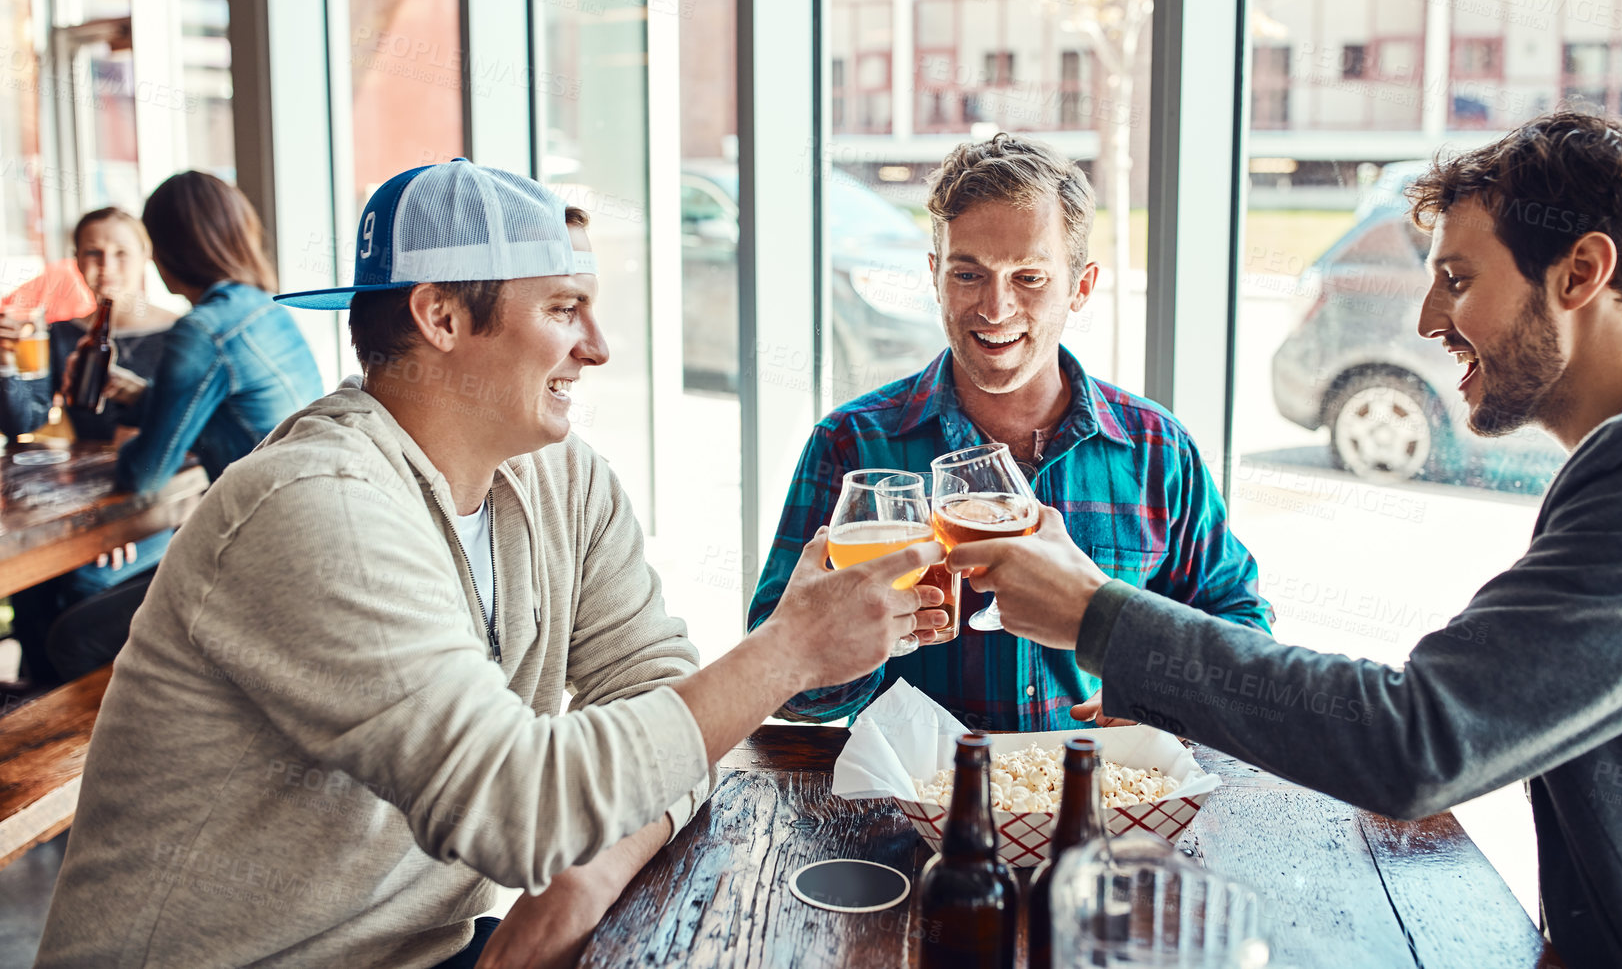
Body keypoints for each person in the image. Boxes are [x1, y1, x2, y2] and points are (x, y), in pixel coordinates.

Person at [34, 159, 945, 969]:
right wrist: (789, 652)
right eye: (561, 307)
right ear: (439, 317)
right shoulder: (317, 507)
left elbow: (661, 692)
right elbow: (527, 811)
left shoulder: (561, 475)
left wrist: (587, 878)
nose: (598, 345)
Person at [953, 112, 1622, 969]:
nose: (1431, 316)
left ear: (1581, 271)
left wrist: (1096, 615)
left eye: (1459, 278)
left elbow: (1419, 741)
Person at [747, 133, 1270, 733]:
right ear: (934, 275)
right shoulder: (851, 443)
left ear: (1080, 286)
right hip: (912, 810)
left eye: (1029, 277)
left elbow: (1240, 622)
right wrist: (856, 642)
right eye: (968, 274)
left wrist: (1171, 696)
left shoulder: (1158, 448)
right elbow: (779, 685)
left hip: (1096, 800)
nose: (995, 309)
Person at [0, 208, 181, 690]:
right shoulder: (63, 334)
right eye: (94, 253)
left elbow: (183, 447)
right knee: (33, 585)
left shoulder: (180, 334)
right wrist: (5, 366)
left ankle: (92, 706)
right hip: (79, 501)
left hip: (157, 502)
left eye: (122, 252)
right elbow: (26, 422)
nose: (108, 266)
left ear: (146, 256)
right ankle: (40, 708)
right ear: (76, 261)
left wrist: (124, 518)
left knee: (84, 584)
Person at [110, 170, 324, 494]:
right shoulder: (262, 304)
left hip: (271, 524)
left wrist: (117, 449)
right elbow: (230, 413)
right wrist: (140, 396)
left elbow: (145, 476)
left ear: (170, 249)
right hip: (312, 503)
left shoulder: (201, 332)